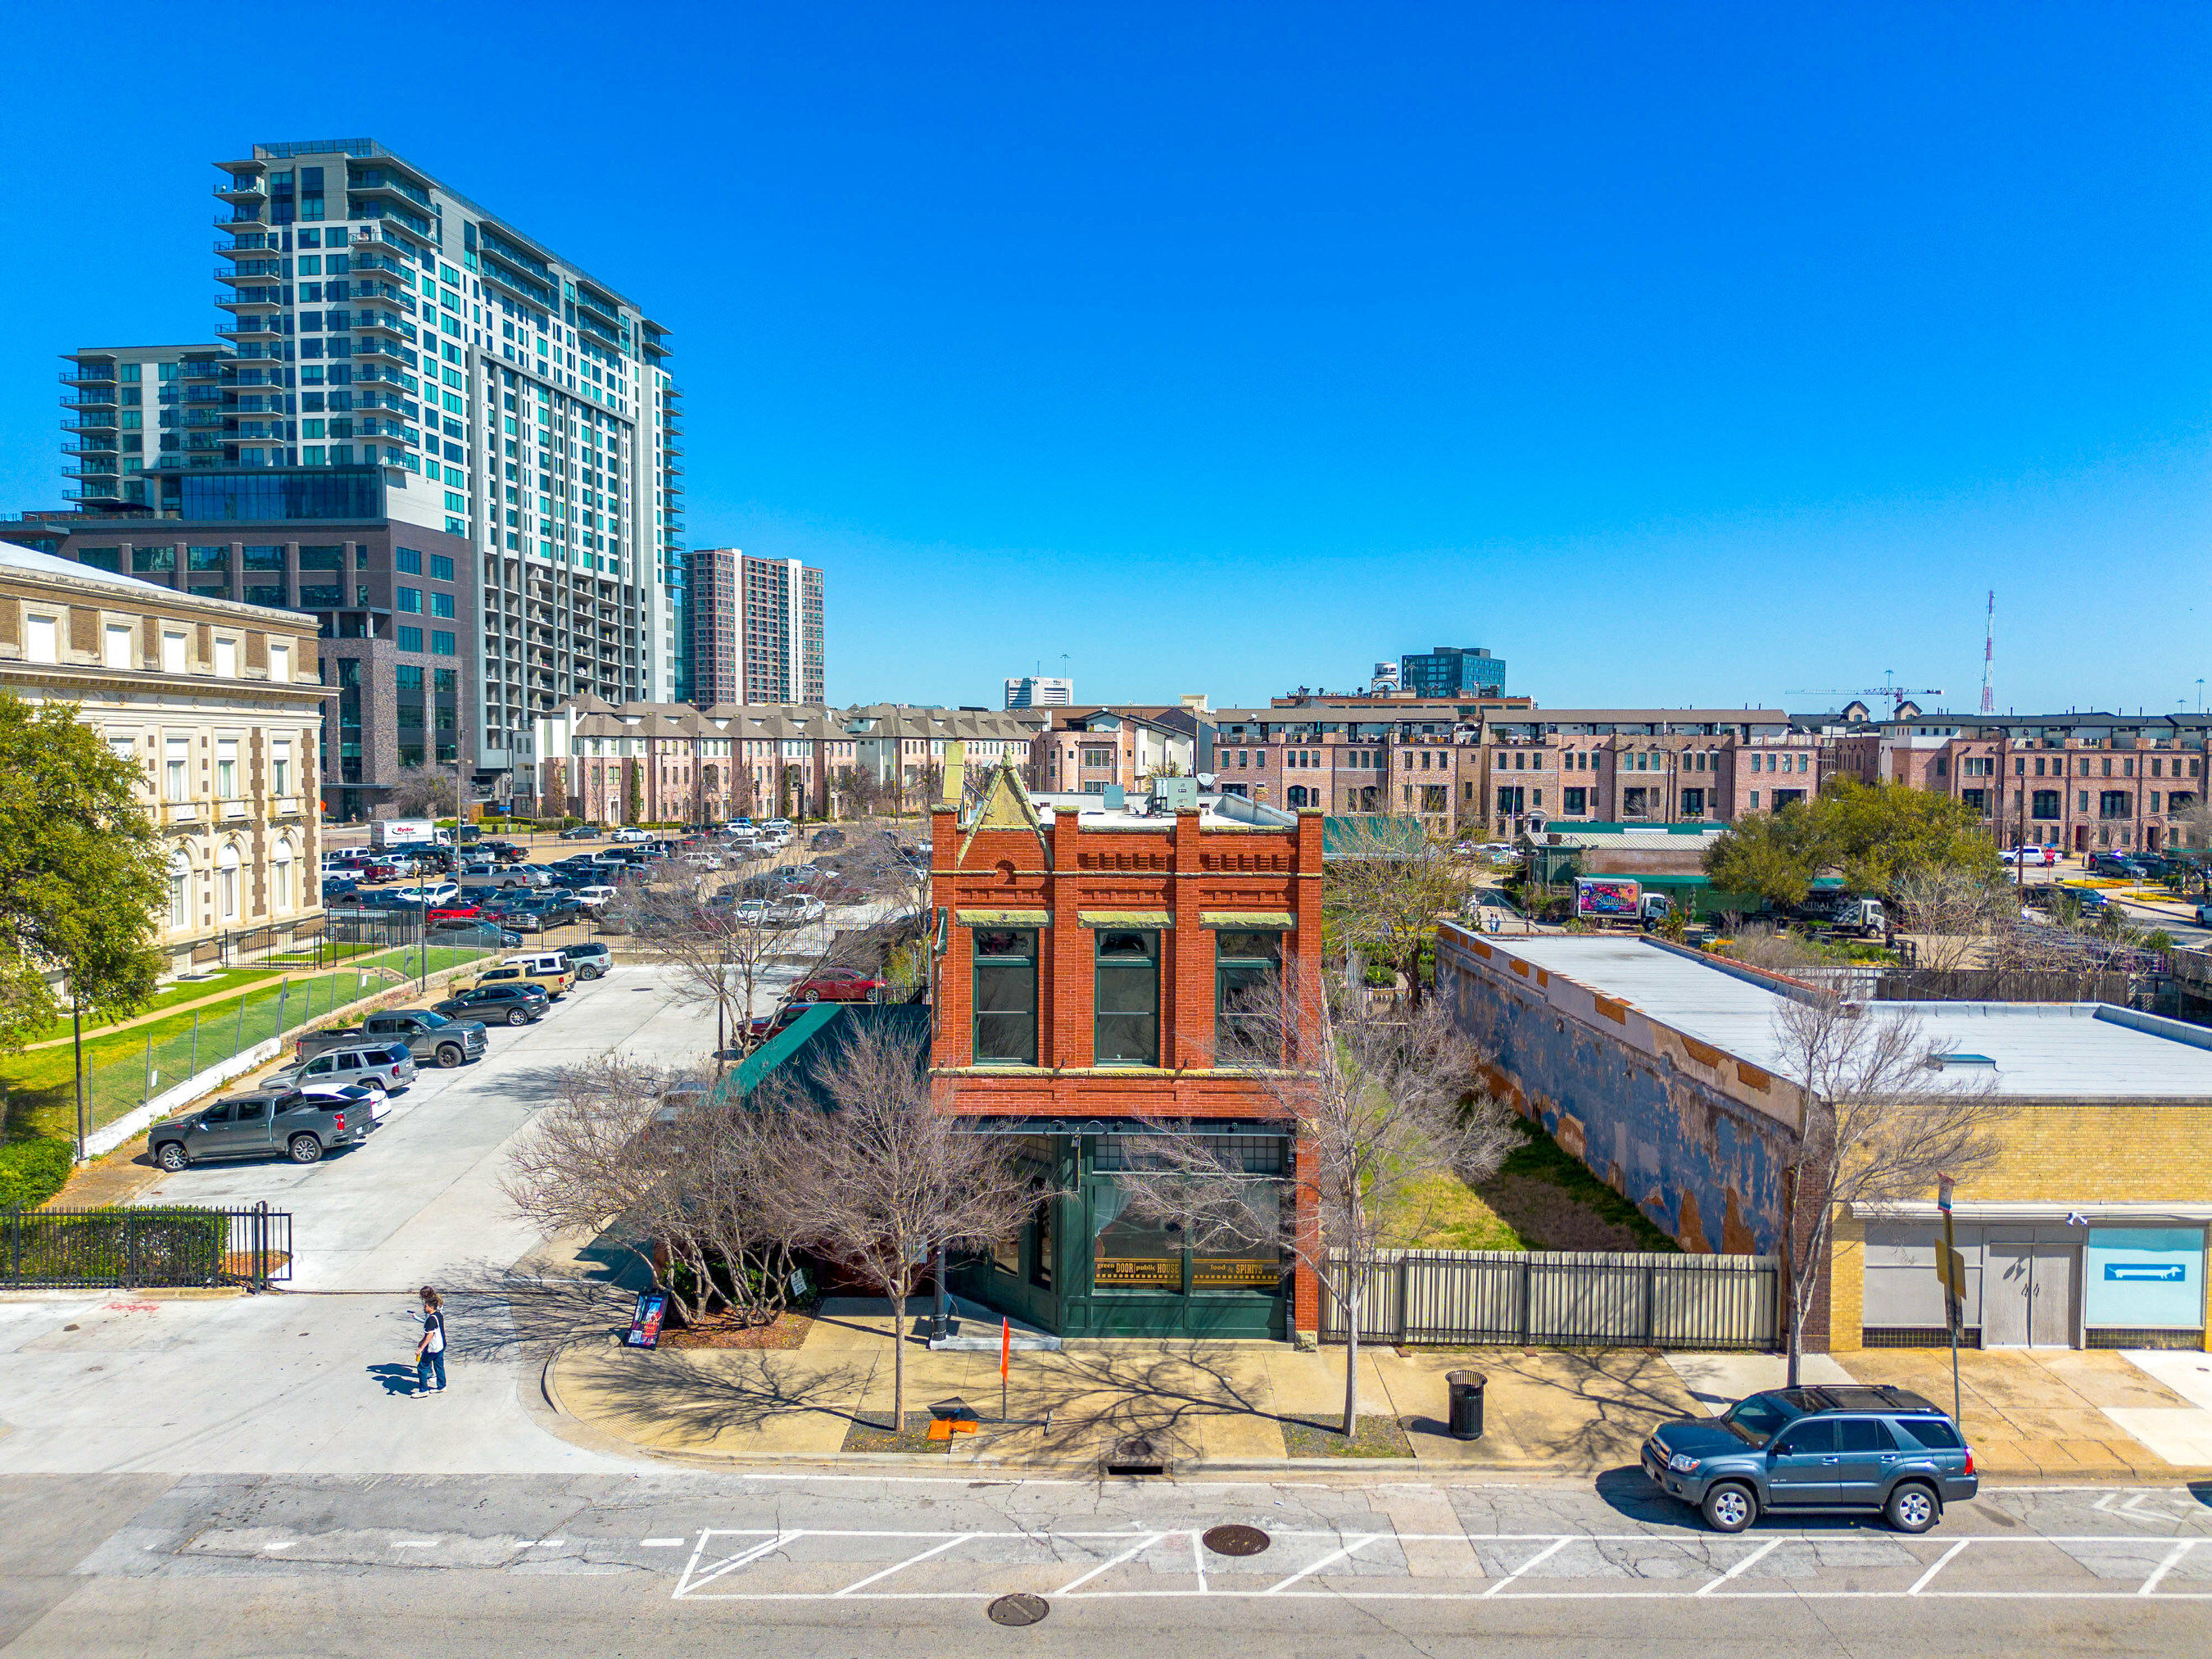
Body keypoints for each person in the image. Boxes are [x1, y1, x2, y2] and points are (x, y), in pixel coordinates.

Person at [415, 1286, 446, 1396]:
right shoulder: (439, 1315)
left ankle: (423, 1390)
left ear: (431, 1307)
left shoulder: (431, 1319)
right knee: (439, 1366)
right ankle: (442, 1386)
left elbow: (430, 1335)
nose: (424, 1307)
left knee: (422, 1367)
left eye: (426, 1306)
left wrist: (421, 1347)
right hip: (441, 1345)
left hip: (432, 1347)